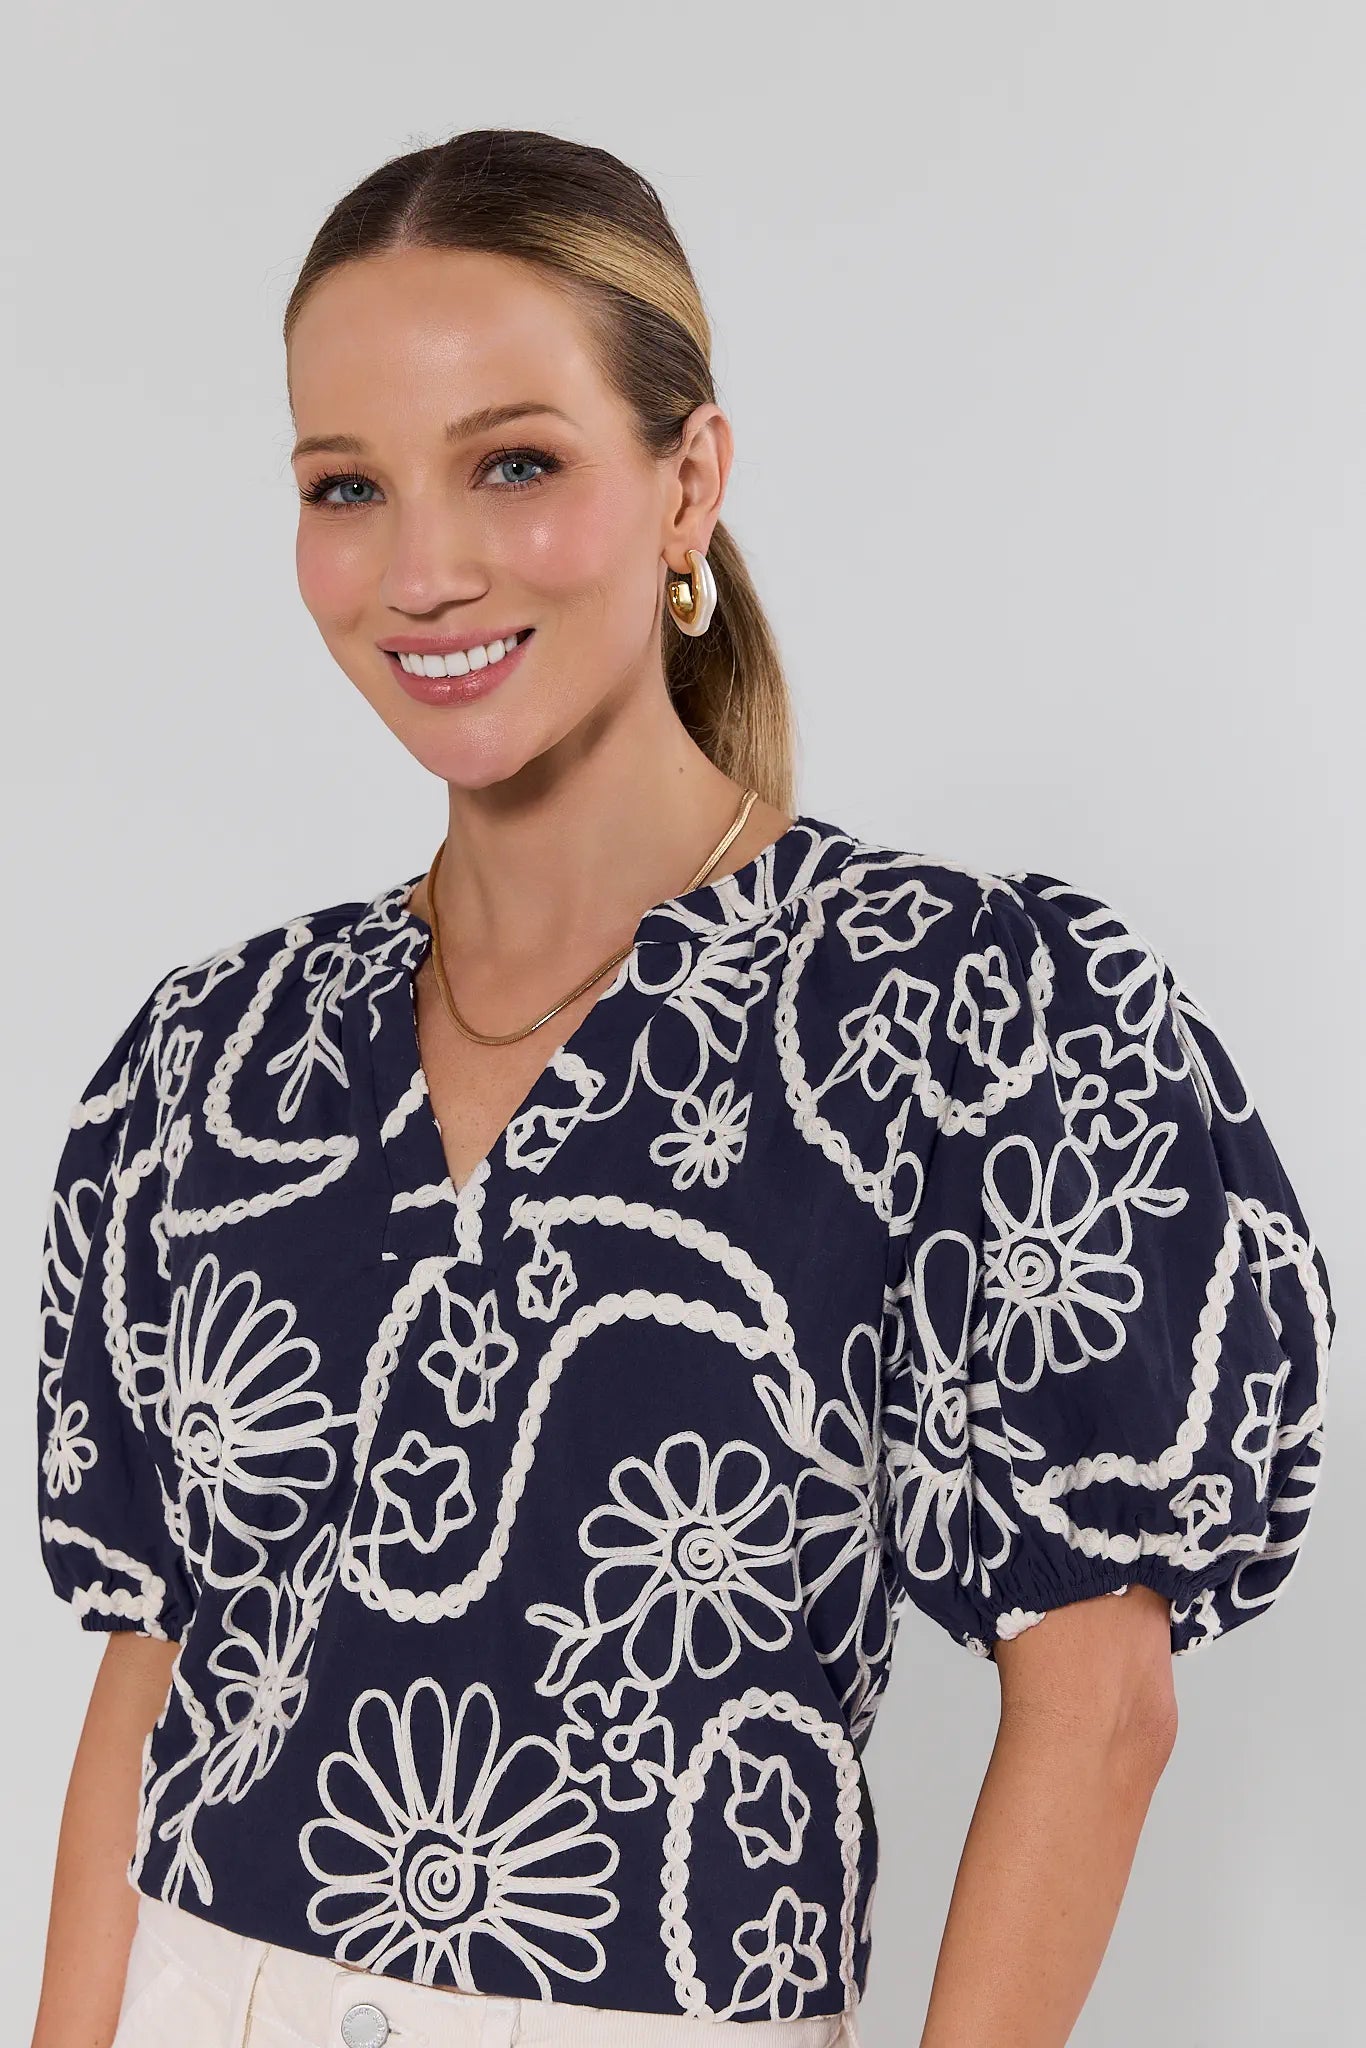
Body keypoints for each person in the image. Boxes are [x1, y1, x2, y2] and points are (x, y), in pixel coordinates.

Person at [30, 129, 1336, 2048]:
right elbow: (152, 1672)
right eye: (344, 486)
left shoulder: (954, 1017)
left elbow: (1099, 1703)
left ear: (688, 482)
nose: (422, 568)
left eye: (514, 462)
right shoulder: (216, 1067)